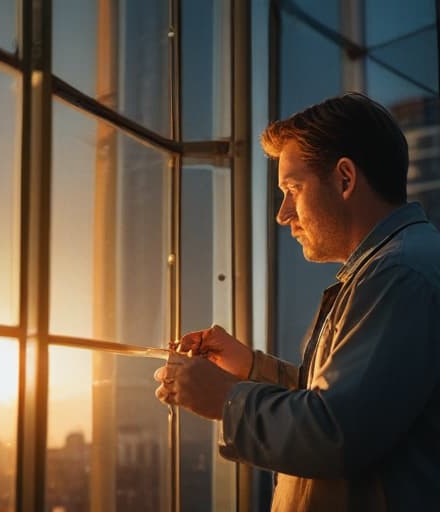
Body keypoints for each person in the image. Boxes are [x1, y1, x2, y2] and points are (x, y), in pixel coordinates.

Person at [154, 92, 440, 511]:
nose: (282, 213)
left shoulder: (398, 275)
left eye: (292, 188)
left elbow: (338, 435)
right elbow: (350, 405)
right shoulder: (395, 267)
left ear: (345, 179)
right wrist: (250, 369)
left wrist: (228, 401)